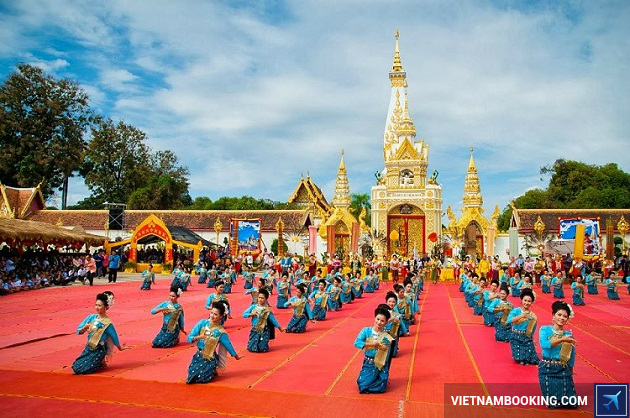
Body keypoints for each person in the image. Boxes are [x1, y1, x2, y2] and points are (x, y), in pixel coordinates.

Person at [72, 291, 128, 374]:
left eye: (99, 305)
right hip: (89, 346)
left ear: (106, 307)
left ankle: (100, 361)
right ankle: (99, 362)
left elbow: (114, 336)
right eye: (96, 305)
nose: (97, 307)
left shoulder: (107, 323)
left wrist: (120, 348)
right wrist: (85, 327)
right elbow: (79, 331)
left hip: (99, 349)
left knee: (83, 370)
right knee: (76, 367)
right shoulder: (91, 317)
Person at [186, 301, 242, 383]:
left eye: (215, 314)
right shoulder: (202, 323)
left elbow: (228, 345)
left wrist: (236, 357)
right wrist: (199, 337)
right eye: (211, 312)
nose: (212, 316)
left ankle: (212, 369)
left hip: (209, 358)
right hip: (199, 355)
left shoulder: (220, 332)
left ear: (221, 316)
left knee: (202, 378)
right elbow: (189, 338)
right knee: (192, 376)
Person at [538, 301, 578, 409]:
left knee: (572, 403)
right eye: (559, 315)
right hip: (547, 367)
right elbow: (544, 345)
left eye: (565, 316)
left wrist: (571, 368)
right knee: (552, 404)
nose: (562, 318)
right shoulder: (544, 329)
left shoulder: (568, 334)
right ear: (553, 316)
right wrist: (562, 340)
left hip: (563, 368)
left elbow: (572, 353)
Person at [354, 306, 395, 394]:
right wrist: (373, 344)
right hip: (369, 362)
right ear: (374, 318)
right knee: (363, 384)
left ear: (386, 322)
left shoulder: (387, 336)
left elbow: (387, 354)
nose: (379, 322)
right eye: (378, 319)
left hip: (380, 363)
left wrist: (385, 365)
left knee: (383, 382)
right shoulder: (366, 331)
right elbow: (357, 343)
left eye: (382, 321)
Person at [507, 288, 539, 365]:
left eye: (529, 301)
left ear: (532, 302)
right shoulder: (516, 311)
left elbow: (533, 328)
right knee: (519, 359)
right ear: (521, 300)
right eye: (525, 300)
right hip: (515, 336)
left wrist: (532, 338)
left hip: (526, 337)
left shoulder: (533, 315)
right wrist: (521, 316)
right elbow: (509, 320)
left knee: (530, 359)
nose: (527, 303)